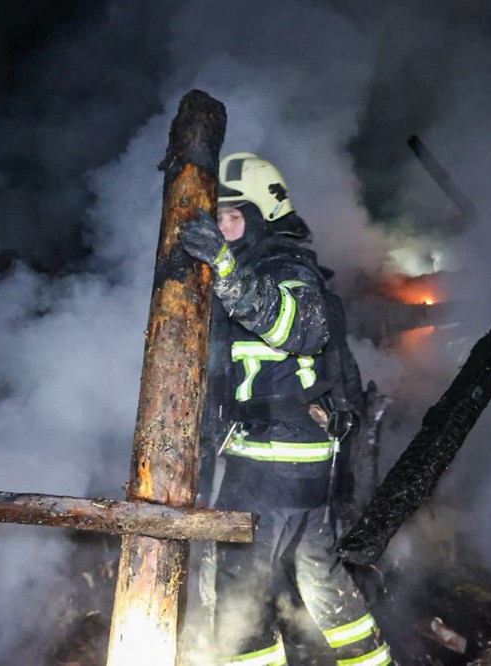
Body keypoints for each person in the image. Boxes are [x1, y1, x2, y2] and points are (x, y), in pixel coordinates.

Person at [179, 153, 391, 666]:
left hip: (273, 462)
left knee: (237, 588)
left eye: (234, 215)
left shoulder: (283, 267)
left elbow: (304, 330)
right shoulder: (252, 268)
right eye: (218, 217)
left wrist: (226, 269)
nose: (223, 228)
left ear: (262, 214)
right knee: (318, 572)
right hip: (303, 462)